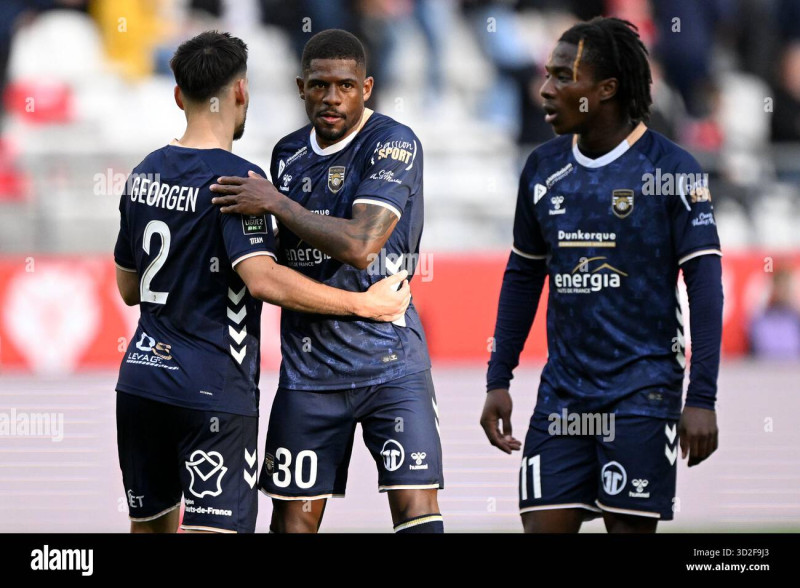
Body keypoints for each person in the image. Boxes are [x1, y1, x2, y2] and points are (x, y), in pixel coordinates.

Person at [113, 30, 410, 534]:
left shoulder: (143, 173)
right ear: (241, 92)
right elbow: (263, 279)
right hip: (212, 390)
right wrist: (366, 306)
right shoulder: (240, 181)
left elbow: (128, 288)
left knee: (149, 529)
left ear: (179, 95)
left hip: (140, 381)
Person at [479, 17, 724, 533]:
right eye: (548, 73)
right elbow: (523, 277)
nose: (546, 89)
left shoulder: (672, 170)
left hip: (642, 393)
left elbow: (705, 286)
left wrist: (701, 398)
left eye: (564, 76)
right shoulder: (542, 168)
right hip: (563, 397)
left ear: (607, 89)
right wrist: (498, 378)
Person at [210, 29, 443, 533]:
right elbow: (268, 265)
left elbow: (362, 245)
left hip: (390, 363)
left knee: (416, 513)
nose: (332, 98)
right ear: (300, 86)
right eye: (319, 86)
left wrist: (277, 202)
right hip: (308, 374)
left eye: (346, 86)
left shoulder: (393, 143)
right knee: (293, 522)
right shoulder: (286, 154)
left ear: (368, 87)